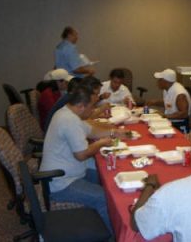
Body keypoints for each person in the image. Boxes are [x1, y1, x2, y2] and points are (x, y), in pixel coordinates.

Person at [40, 85, 128, 233]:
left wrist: (115, 133)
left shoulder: (66, 113)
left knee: (107, 178)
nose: (93, 110)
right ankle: (113, 236)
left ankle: (100, 220)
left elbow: (92, 131)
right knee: (105, 197)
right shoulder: (69, 121)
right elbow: (81, 154)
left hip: (69, 172)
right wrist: (100, 144)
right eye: (91, 107)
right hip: (61, 183)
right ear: (81, 106)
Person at [43, 76, 111, 133]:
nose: (97, 98)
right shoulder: (73, 100)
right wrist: (101, 110)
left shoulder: (74, 96)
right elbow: (86, 121)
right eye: (96, 94)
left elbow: (85, 121)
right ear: (88, 91)